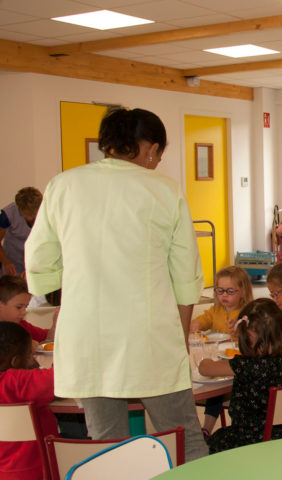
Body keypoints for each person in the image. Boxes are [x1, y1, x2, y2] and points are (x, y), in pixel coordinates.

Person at [24, 108, 207, 461]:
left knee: (108, 448)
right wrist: (179, 342)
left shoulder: (63, 184)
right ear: (151, 149)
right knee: (183, 438)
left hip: (87, 337)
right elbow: (186, 278)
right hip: (150, 337)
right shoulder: (164, 191)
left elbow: (39, 262)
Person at [199, 299, 282, 453]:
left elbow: (205, 369)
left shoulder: (248, 365)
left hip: (246, 442)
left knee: (204, 446)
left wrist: (205, 359)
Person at [189, 266, 253, 439]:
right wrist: (197, 324)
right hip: (218, 361)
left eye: (230, 291)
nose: (224, 295)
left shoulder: (248, 312)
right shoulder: (216, 310)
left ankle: (230, 429)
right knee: (213, 386)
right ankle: (206, 429)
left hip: (238, 367)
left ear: (243, 291)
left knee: (216, 391)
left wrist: (239, 331)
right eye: (220, 290)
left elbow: (251, 339)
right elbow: (204, 319)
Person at [0, 321, 57, 480]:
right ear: (16, 362)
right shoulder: (17, 382)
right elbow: (62, 377)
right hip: (40, 470)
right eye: (28, 357)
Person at [0, 275, 56, 345]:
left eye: (26, 307)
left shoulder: (21, 325)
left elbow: (46, 337)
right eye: (19, 307)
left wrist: (55, 324)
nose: (24, 312)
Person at [0, 187, 42, 275]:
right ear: (19, 208)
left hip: (37, 260)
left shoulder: (48, 211)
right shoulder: (6, 214)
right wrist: (6, 262)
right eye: (27, 214)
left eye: (34, 214)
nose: (31, 218)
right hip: (12, 262)